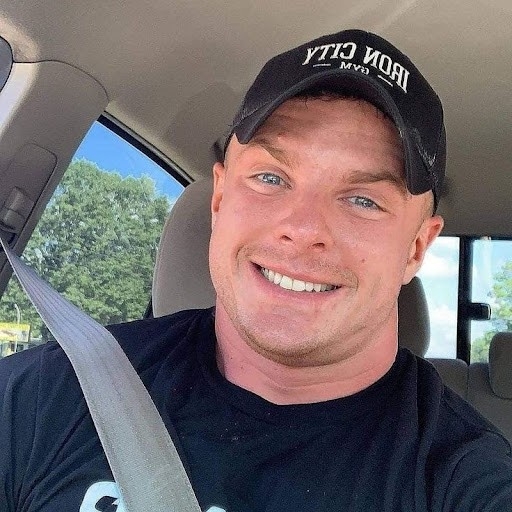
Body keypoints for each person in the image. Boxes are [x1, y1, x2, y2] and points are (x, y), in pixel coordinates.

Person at [1, 29, 512, 512]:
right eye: (270, 177)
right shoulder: (51, 395)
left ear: (416, 248)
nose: (303, 228)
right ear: (220, 199)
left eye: (363, 200)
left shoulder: (465, 477)